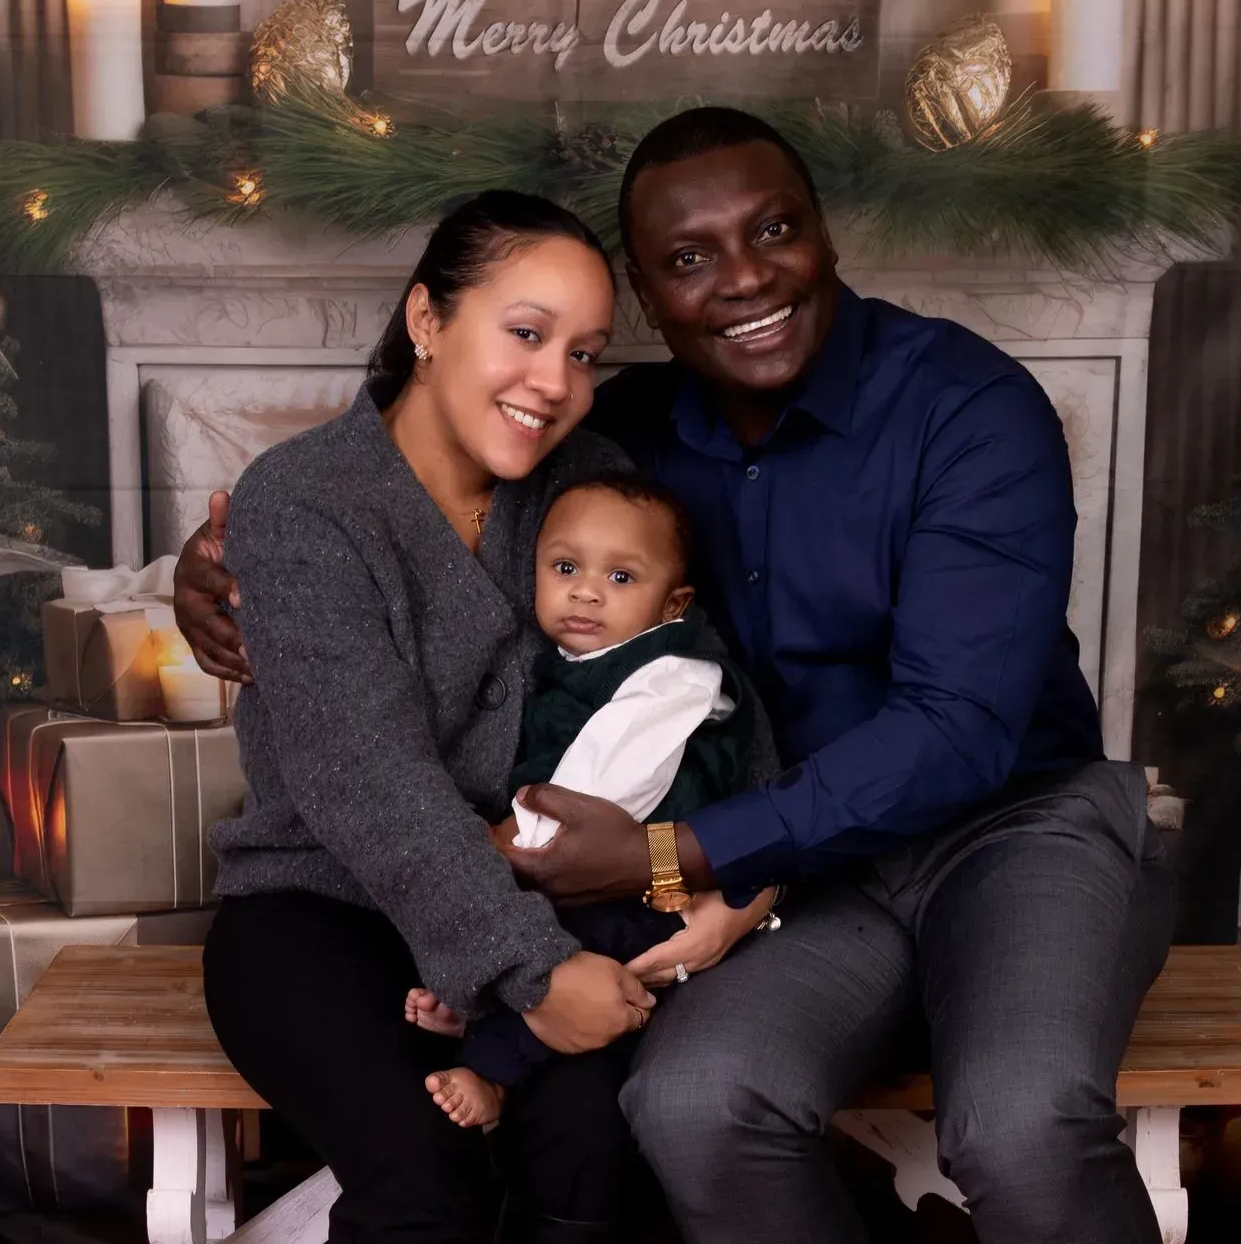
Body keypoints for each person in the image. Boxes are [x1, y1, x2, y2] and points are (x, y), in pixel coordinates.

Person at [178, 108, 1177, 1244]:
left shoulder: (957, 411)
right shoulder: (610, 443)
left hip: (994, 830)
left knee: (1013, 1120)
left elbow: (929, 725)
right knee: (680, 1104)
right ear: (653, 299)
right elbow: (364, 596)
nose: (743, 280)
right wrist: (217, 562)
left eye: (775, 230)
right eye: (689, 259)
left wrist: (697, 863)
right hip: (719, 881)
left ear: (826, 234)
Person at [198, 189, 661, 1244]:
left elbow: (681, 675)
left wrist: (709, 883)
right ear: (426, 320)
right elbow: (369, 782)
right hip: (320, 909)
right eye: (527, 333)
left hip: (547, 907)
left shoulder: (594, 487)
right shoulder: (304, 500)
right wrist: (533, 974)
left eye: (586, 354)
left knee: (595, 1146)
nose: (556, 383)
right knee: (428, 1173)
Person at [406, 472, 777, 1131]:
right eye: (567, 567)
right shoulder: (573, 661)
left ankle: (493, 1072)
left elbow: (604, 783)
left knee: (581, 952)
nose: (585, 591)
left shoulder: (674, 673)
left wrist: (505, 838)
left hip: (657, 891)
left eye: (622, 579)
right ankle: (480, 1001)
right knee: (535, 928)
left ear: (673, 605)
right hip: (594, 872)